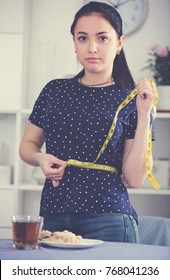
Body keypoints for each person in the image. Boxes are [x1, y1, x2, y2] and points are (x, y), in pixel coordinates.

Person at [19, 1, 156, 243]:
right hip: (53, 216)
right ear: (74, 43)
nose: (92, 47)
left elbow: (134, 178)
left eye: (103, 38)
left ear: (119, 44)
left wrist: (144, 116)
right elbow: (28, 145)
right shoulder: (54, 91)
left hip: (109, 219)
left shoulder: (132, 100)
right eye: (83, 38)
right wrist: (40, 158)